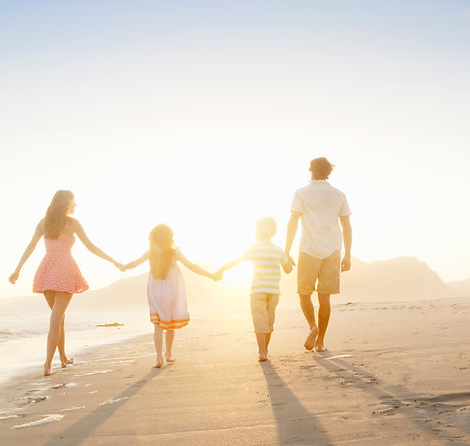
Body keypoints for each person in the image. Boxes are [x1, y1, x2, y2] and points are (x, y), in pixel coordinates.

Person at [9, 190, 122, 375]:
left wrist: (18, 269)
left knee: (58, 318)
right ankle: (47, 364)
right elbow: (91, 247)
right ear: (67, 203)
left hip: (46, 270)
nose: (75, 205)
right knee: (56, 318)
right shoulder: (72, 223)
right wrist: (115, 261)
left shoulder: (44, 223)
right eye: (73, 202)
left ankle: (62, 358)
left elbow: (31, 246)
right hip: (65, 270)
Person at [121, 224, 218, 368]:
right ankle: (169, 353)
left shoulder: (150, 253)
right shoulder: (175, 253)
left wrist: (123, 266)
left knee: (158, 326)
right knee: (170, 325)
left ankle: (159, 357)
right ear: (170, 238)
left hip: (155, 293)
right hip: (171, 292)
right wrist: (211, 275)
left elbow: (134, 263)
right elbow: (192, 266)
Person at [285, 157, 352, 352]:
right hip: (332, 250)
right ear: (329, 172)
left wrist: (287, 251)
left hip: (308, 250)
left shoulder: (301, 193)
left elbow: (293, 223)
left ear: (310, 170)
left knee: (304, 294)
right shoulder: (339, 195)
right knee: (325, 299)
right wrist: (347, 255)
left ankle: (312, 327)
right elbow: (347, 226)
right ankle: (321, 342)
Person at [215, 217, 292, 362]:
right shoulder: (278, 250)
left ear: (257, 231)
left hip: (258, 290)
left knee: (259, 321)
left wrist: (221, 270)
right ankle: (265, 349)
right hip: (274, 291)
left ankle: (262, 351)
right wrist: (290, 262)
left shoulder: (253, 248)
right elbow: (288, 269)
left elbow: (236, 261)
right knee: (269, 323)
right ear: (274, 231)